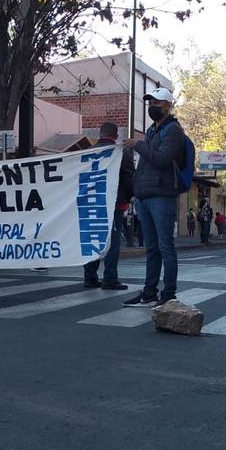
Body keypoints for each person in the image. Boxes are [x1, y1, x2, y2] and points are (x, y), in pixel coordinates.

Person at [122, 88, 187, 308]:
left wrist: (138, 145)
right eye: (150, 103)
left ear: (168, 105)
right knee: (151, 248)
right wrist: (136, 192)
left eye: (157, 103)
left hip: (162, 195)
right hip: (145, 195)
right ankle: (149, 292)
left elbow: (161, 159)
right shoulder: (152, 131)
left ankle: (168, 293)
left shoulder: (173, 131)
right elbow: (146, 164)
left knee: (165, 246)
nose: (152, 107)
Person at [83, 122, 135, 290]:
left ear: (100, 133)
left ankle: (90, 276)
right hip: (115, 203)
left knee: (94, 239)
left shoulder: (88, 152)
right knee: (112, 241)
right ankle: (110, 278)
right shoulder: (121, 152)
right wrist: (128, 197)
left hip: (93, 202)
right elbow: (128, 179)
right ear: (116, 135)